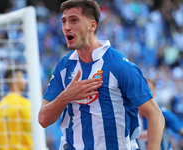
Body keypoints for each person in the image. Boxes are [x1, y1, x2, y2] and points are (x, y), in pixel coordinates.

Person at [38, 0, 165, 149]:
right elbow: (43, 119)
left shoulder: (120, 66)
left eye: (74, 20)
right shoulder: (63, 67)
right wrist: (67, 96)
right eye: (64, 21)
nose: (66, 27)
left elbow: (156, 115)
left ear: (92, 25)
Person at [137, 78, 183, 150]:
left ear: (154, 94)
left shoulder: (162, 113)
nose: (144, 94)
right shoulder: (130, 116)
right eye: (141, 90)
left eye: (148, 90)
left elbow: (180, 129)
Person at [0, 69, 33, 150]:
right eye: (22, 78)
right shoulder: (24, 103)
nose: (25, 81)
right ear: (16, 81)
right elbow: (32, 130)